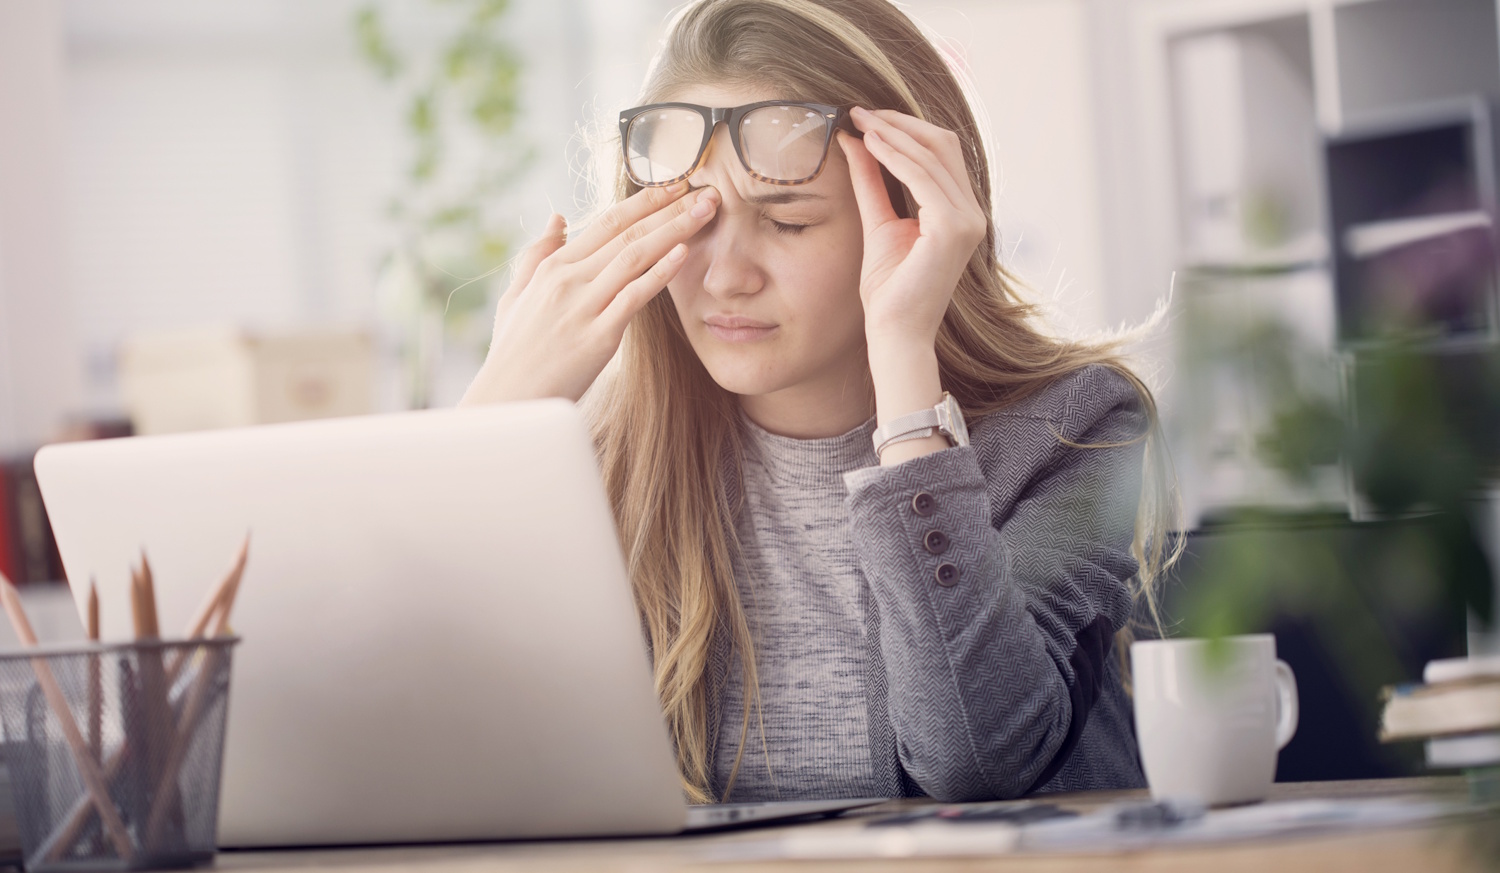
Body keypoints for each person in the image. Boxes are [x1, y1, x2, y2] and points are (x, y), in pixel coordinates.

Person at [460, 0, 1179, 804]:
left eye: (788, 221)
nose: (726, 275)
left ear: (913, 216)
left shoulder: (1074, 429)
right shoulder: (600, 456)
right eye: (692, 219)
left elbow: (977, 760)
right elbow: (421, 741)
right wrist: (494, 418)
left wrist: (904, 358)